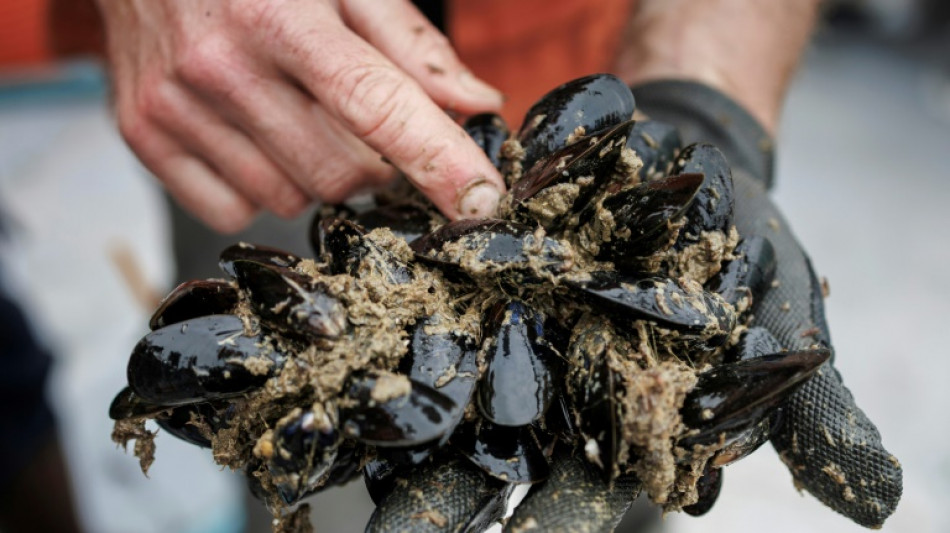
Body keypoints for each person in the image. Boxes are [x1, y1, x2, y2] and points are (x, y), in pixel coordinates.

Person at [79, 0, 903, 530]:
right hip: (262, 105)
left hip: (584, 77)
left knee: (624, 460)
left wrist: (705, 93)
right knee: (298, 442)